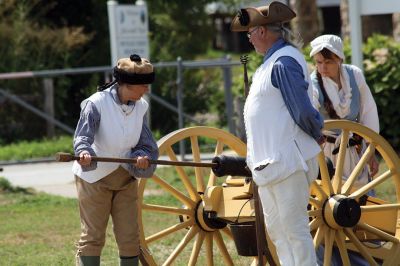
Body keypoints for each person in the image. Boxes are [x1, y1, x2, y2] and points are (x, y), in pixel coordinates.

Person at [230, 2, 324, 265]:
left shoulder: (283, 62)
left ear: (262, 31)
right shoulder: (270, 63)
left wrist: (316, 132)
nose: (248, 38)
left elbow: (302, 110)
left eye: (250, 32)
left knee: (294, 231)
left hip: (288, 161)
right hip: (271, 163)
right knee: (279, 234)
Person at [72, 54, 159, 266]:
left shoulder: (141, 106)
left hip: (125, 178)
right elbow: (83, 136)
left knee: (129, 238)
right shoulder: (96, 103)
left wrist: (142, 156)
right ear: (128, 84)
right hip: (94, 179)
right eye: (143, 85)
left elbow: (144, 142)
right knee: (93, 237)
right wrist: (83, 151)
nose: (146, 90)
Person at [309, 35, 380, 265]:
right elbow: (309, 113)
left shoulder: (354, 75)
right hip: (328, 154)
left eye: (327, 62)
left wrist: (371, 150)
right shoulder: (314, 83)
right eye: (318, 62)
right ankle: (335, 257)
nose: (323, 68)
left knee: (362, 199)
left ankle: (371, 250)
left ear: (339, 58)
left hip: (354, 150)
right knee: (330, 205)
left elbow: (368, 112)